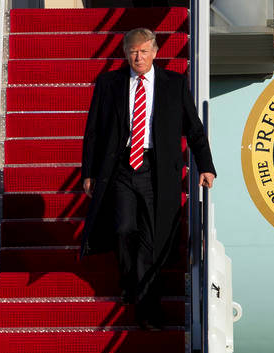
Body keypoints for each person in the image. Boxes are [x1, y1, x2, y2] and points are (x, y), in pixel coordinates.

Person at [80, 28, 216, 330]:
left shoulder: (174, 84)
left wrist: (205, 165)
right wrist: (88, 171)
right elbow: (93, 131)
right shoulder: (109, 83)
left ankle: (147, 308)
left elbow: (193, 128)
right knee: (123, 228)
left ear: (155, 52)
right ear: (125, 53)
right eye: (132, 51)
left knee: (149, 244)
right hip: (121, 167)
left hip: (157, 169)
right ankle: (130, 280)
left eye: (143, 51)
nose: (137, 57)